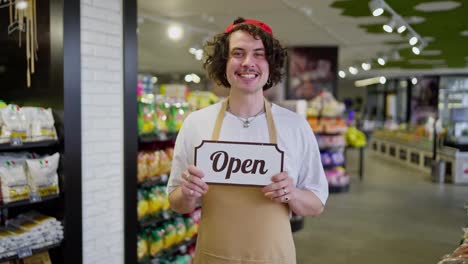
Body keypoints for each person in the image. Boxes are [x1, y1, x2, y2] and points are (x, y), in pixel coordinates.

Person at [167, 17, 328, 264]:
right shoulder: (196, 123)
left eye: (259, 54)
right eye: (238, 53)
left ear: (271, 64)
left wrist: (291, 194)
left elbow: (316, 204)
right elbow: (176, 202)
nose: (247, 63)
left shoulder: (295, 126)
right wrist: (187, 194)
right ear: (224, 63)